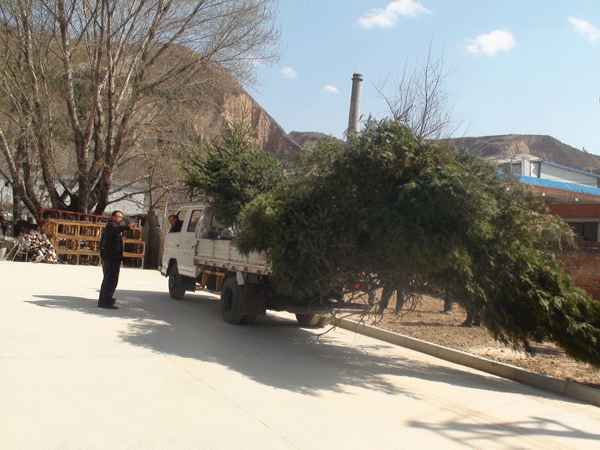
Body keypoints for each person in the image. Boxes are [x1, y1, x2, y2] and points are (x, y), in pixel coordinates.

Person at [98, 210, 133, 309]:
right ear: (113, 217)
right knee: (110, 281)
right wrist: (127, 226)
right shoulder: (111, 226)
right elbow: (118, 229)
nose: (120, 219)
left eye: (121, 217)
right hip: (111, 258)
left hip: (113, 258)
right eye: (118, 216)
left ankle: (105, 300)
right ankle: (106, 302)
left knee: (109, 280)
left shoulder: (114, 227)